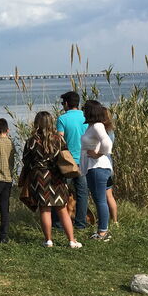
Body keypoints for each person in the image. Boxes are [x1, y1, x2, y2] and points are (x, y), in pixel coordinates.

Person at [19, 111, 82, 249]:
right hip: (56, 177)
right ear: (51, 123)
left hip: (39, 177)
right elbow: (65, 156)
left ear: (37, 123)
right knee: (62, 209)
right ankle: (71, 241)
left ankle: (48, 240)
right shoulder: (58, 139)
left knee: (44, 209)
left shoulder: (32, 141)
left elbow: (26, 160)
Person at [81, 100, 114, 242]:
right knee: (99, 200)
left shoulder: (97, 126)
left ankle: (103, 232)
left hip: (97, 167)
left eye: (85, 110)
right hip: (94, 168)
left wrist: (98, 154)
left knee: (100, 200)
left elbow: (107, 143)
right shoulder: (92, 126)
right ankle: (102, 230)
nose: (83, 112)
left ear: (90, 112)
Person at [57, 91, 89, 229]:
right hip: (84, 160)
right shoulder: (85, 117)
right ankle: (81, 223)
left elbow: (60, 139)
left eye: (62, 103)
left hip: (68, 162)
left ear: (66, 103)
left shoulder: (62, 119)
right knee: (82, 193)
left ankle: (59, 224)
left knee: (61, 192)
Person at [102, 107, 119, 226]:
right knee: (109, 195)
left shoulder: (100, 131)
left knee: (102, 197)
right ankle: (115, 221)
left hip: (102, 165)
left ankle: (104, 222)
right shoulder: (111, 131)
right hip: (109, 164)